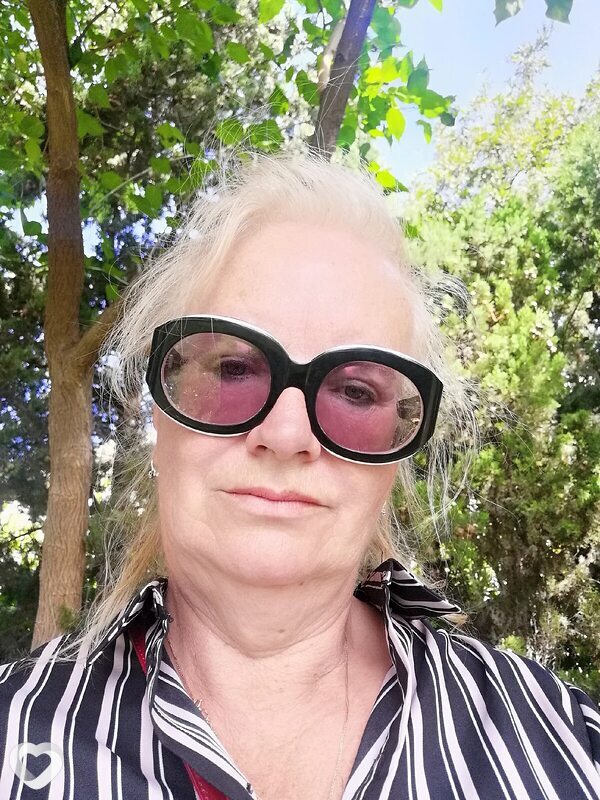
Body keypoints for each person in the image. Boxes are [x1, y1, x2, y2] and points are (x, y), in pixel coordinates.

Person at [0, 153, 599, 800]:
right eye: (233, 369)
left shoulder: (567, 746)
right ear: (160, 418)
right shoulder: (16, 734)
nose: (286, 436)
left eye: (356, 393)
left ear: (396, 456)